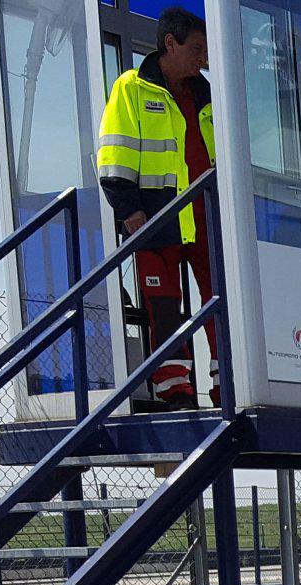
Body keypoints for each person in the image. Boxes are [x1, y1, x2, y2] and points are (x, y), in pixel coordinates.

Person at [98, 8, 217, 409]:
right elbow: (114, 155)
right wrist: (129, 209)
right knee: (164, 305)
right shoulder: (131, 88)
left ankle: (228, 382)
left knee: (222, 300)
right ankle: (175, 389)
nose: (203, 58)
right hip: (156, 217)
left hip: (208, 216)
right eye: (196, 49)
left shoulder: (209, 95)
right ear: (170, 43)